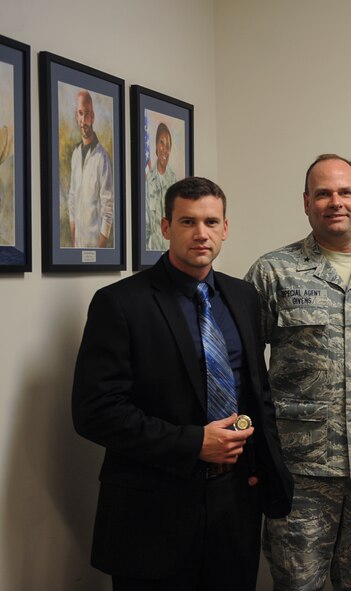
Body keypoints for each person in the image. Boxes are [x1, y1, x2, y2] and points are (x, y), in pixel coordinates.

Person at [72, 176, 293, 590]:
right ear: (166, 226)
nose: (201, 233)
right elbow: (95, 412)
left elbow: (256, 393)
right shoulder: (120, 303)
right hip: (152, 512)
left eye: (211, 222)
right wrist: (193, 443)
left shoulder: (243, 297)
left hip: (235, 504)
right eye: (188, 222)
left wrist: (268, 475)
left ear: (225, 228)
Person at [245, 154, 351, 590]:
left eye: (344, 192)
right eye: (323, 193)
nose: (335, 202)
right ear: (306, 203)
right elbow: (244, 365)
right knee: (296, 583)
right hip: (300, 470)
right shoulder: (273, 271)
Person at [67, 89, 113, 248]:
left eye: (87, 114)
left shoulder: (102, 157)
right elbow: (72, 199)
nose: (83, 120)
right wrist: (73, 242)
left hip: (95, 246)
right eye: (80, 113)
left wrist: (100, 250)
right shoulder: (75, 154)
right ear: (76, 116)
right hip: (77, 245)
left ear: (92, 117)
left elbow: (108, 209)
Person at [145, 122, 177, 251]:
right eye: (161, 143)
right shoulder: (148, 179)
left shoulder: (174, 182)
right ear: (156, 146)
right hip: (152, 250)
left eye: (168, 145)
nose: (165, 149)